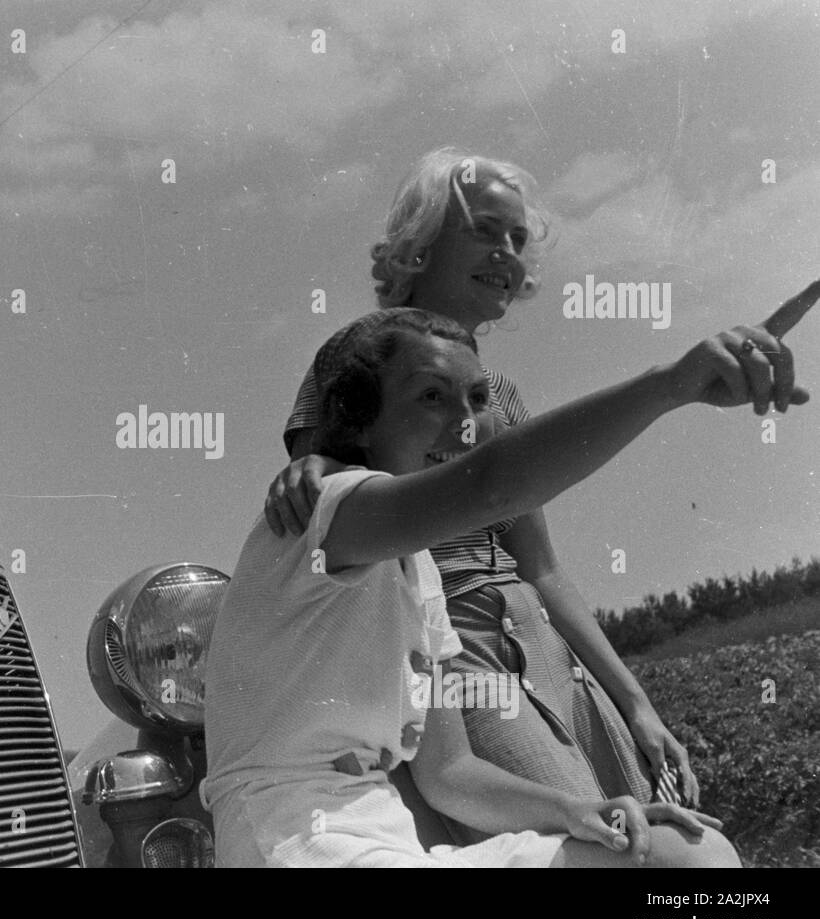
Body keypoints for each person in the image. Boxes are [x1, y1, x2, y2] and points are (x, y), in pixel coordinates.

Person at [202, 306, 802, 866]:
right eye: (432, 397)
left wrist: (579, 810)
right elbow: (493, 484)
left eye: (479, 398)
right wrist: (672, 385)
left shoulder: (419, 575)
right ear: (359, 420)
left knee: (693, 854)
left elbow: (451, 773)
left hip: (388, 839)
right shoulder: (325, 511)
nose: (465, 426)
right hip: (292, 838)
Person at [265, 149, 720, 831]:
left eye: (517, 238)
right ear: (419, 244)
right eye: (483, 230)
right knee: (610, 846)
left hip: (547, 649)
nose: (507, 253)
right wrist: (314, 471)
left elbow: (542, 567)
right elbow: (324, 516)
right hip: (453, 648)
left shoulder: (502, 397)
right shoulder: (358, 359)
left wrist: (636, 703)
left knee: (660, 835)